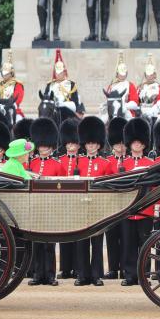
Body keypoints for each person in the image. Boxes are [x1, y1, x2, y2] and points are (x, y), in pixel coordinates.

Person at [120, 117, 155, 286]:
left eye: (139, 142)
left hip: (146, 209)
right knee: (128, 244)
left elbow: (155, 187)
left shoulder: (150, 164)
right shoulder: (124, 164)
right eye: (134, 142)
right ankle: (129, 275)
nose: (136, 145)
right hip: (128, 210)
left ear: (144, 144)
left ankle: (143, 275)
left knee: (145, 244)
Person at [28, 118, 63, 286]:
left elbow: (63, 187)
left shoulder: (58, 165)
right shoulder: (31, 163)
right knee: (36, 243)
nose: (42, 148)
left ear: (51, 146)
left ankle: (50, 275)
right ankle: (37, 274)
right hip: (36, 207)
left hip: (51, 208)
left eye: (45, 146)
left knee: (49, 244)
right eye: (40, 145)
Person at [74, 117, 109, 286]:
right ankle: (82, 275)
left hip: (97, 207)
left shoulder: (105, 163)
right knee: (81, 242)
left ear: (99, 145)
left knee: (97, 242)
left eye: (94, 143)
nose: (91, 146)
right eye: (88, 143)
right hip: (81, 207)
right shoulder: (78, 161)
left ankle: (96, 275)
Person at [103, 117, 128, 280]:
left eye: (122, 143)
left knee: (126, 239)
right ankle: (113, 268)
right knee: (111, 238)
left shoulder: (131, 161)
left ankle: (125, 268)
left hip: (127, 204)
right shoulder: (108, 161)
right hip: (111, 205)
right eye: (117, 144)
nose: (120, 146)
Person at [57, 117, 81, 279]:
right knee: (64, 236)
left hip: (79, 204)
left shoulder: (83, 160)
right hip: (63, 203)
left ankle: (78, 268)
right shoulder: (59, 161)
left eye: (74, 143)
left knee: (78, 237)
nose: (71, 146)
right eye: (69, 143)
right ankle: (65, 268)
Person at [44, 49, 85, 119]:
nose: (58, 74)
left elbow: (75, 102)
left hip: (67, 112)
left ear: (64, 73)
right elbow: (45, 99)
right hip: (52, 111)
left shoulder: (71, 84)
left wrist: (63, 104)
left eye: (60, 72)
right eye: (57, 72)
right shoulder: (49, 85)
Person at [103, 52, 140, 120]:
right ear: (117, 74)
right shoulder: (112, 86)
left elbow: (135, 103)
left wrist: (123, 106)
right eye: (120, 74)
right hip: (112, 111)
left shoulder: (130, 85)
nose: (122, 76)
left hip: (126, 110)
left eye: (124, 74)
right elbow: (108, 100)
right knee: (103, 120)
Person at [0, 51, 25, 121]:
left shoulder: (17, 84)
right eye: (3, 73)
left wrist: (8, 105)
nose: (4, 75)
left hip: (12, 108)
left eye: (7, 73)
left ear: (11, 73)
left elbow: (18, 99)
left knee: (19, 119)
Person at [138, 53, 160, 120]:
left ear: (155, 75)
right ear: (145, 75)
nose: (150, 77)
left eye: (151, 75)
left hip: (155, 113)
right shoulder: (140, 87)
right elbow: (137, 101)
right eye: (148, 75)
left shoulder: (159, 87)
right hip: (142, 113)